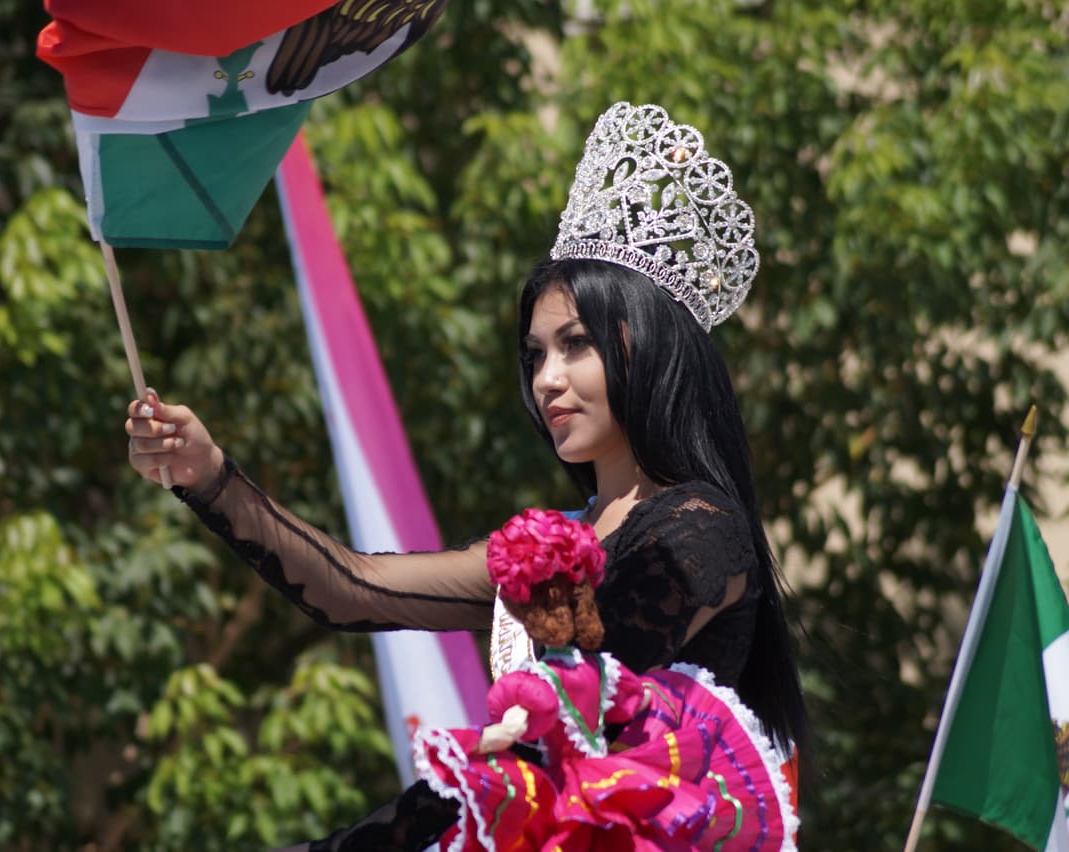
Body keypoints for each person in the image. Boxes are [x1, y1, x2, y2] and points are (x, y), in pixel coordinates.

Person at [125, 102, 809, 850]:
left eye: (574, 345)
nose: (547, 379)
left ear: (647, 346)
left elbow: (559, 723)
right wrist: (210, 476)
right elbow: (352, 587)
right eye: (535, 355)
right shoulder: (560, 543)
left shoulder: (698, 533)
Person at [413, 507, 797, 851]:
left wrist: (465, 747)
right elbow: (641, 700)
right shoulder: (602, 670)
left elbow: (510, 730)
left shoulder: (537, 683)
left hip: (566, 787)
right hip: (614, 780)